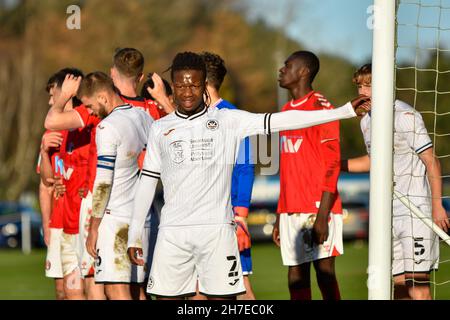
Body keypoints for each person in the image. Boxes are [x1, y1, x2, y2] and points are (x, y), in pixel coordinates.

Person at [126, 51, 368, 300]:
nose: (187, 92)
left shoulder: (228, 120)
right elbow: (147, 182)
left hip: (217, 234)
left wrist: (343, 111)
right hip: (172, 233)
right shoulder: (160, 128)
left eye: (194, 85)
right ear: (173, 88)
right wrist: (134, 233)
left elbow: (283, 120)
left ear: (204, 86)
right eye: (180, 86)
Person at [341, 63, 449, 300]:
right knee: (398, 287)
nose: (362, 92)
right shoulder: (365, 121)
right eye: (360, 86)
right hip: (387, 213)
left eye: (368, 86)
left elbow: (432, 161)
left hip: (416, 211)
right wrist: (336, 165)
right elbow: (374, 161)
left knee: (418, 287)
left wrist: (437, 206)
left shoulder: (405, 115)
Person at [272, 51, 344, 300]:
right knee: (295, 277)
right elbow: (289, 168)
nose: (281, 70)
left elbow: (332, 163)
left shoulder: (321, 107)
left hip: (318, 206)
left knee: (324, 272)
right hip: (291, 208)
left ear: (303, 71)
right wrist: (280, 214)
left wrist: (323, 215)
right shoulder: (284, 110)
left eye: (287, 66)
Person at [76, 71, 153, 300]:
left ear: (102, 96)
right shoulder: (144, 117)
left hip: (116, 220)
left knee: (116, 290)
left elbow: (103, 182)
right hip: (143, 219)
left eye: (89, 106)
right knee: (139, 290)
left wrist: (93, 227)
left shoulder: (106, 128)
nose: (89, 112)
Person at [200, 51, 256, 300]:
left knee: (240, 287)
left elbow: (245, 167)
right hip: (197, 218)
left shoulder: (232, 116)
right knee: (197, 289)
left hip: (227, 218)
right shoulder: (193, 117)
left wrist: (241, 217)